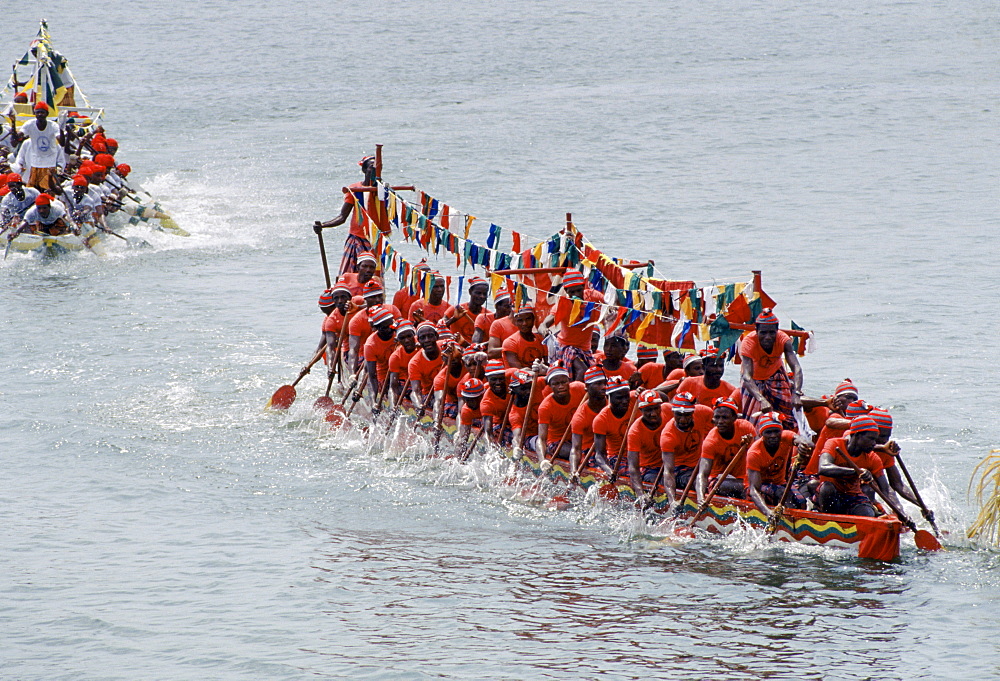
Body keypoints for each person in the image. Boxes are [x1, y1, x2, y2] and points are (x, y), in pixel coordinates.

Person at [816, 415, 902, 518]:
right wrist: (856, 471)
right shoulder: (834, 444)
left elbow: (884, 490)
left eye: (875, 440)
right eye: (871, 439)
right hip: (831, 496)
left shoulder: (872, 458)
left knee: (867, 513)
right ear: (857, 435)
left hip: (853, 497)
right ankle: (827, 519)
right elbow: (823, 468)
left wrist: (897, 513)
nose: (874, 443)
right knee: (827, 488)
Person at [316, 155, 379, 275]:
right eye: (372, 168)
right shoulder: (355, 189)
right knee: (351, 273)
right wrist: (323, 225)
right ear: (364, 170)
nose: (374, 171)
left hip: (376, 240)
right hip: (357, 238)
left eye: (377, 168)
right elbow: (342, 217)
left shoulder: (383, 191)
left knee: (373, 274)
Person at [739, 308, 803, 426]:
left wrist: (797, 393)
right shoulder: (748, 342)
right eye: (763, 333)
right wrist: (761, 399)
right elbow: (747, 376)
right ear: (756, 330)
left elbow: (797, 368)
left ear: (777, 331)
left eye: (771, 332)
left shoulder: (783, 340)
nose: (768, 337)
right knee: (753, 420)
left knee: (787, 417)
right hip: (753, 381)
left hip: (776, 375)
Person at [541, 269, 604, 381]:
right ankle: (574, 393)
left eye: (579, 291)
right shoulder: (563, 304)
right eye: (572, 292)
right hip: (566, 347)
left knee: (593, 376)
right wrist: (544, 330)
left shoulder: (593, 296)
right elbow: (545, 323)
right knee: (582, 371)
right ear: (566, 291)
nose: (576, 295)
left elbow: (614, 304)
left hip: (585, 348)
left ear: (584, 287)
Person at [746, 413, 806, 518]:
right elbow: (754, 491)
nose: (773, 435)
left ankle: (796, 520)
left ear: (781, 432)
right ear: (761, 435)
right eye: (768, 432)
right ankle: (788, 522)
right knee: (781, 492)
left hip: (779, 484)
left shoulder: (786, 437)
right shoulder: (754, 453)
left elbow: (805, 441)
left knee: (801, 501)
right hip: (758, 488)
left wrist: (802, 445)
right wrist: (768, 513)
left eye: (776, 431)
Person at [696, 397, 756, 501]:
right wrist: (701, 498)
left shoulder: (746, 428)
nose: (720, 422)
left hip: (742, 478)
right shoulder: (711, 441)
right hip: (717, 480)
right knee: (746, 489)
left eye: (724, 417)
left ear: (734, 418)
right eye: (717, 417)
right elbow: (702, 474)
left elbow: (757, 458)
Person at [659, 391, 714, 497]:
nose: (683, 420)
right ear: (673, 413)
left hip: (700, 465)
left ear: (693, 412)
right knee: (706, 484)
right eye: (678, 415)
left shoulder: (703, 412)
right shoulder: (668, 436)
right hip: (679, 470)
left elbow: (720, 422)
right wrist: (672, 501)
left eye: (687, 415)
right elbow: (668, 472)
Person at [868, 407, 923, 511]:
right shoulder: (854, 439)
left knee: (897, 507)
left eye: (887, 437)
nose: (885, 441)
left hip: (868, 490)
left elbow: (897, 484)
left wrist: (921, 505)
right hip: (844, 487)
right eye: (882, 436)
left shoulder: (886, 451)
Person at [536, 362, 587, 466]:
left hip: (578, 436)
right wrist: (542, 460)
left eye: (564, 382)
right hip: (557, 442)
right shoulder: (545, 407)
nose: (561, 387)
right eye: (556, 384)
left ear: (569, 381)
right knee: (581, 455)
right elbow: (541, 439)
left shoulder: (579, 388)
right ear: (550, 386)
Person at [626, 390, 670, 503]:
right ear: (640, 410)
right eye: (648, 410)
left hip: (672, 464)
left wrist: (650, 390)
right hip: (650, 470)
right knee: (664, 481)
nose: (654, 414)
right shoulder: (635, 432)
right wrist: (641, 495)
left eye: (656, 408)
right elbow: (633, 468)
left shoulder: (668, 410)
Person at [347, 280, 400, 372]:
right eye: (373, 297)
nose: (378, 300)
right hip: (366, 355)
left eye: (380, 296)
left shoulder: (392, 310)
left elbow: (401, 330)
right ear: (365, 300)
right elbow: (353, 350)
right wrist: (352, 374)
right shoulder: (356, 320)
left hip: (391, 351)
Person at [13, 102, 64, 192]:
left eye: (42, 112)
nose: (40, 114)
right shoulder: (29, 124)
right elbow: (17, 139)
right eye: (38, 112)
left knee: (49, 190)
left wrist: (62, 128)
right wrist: (13, 124)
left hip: (49, 164)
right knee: (33, 190)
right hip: (35, 163)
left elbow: (62, 142)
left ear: (47, 114)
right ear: (34, 113)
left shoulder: (53, 126)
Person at [568, 366, 608, 479]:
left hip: (609, 450)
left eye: (605, 383)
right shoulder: (580, 417)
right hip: (589, 453)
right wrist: (574, 471)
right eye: (598, 384)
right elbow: (575, 449)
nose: (604, 387)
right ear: (587, 387)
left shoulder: (612, 406)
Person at [591, 377, 635, 477]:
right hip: (617, 457)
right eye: (619, 398)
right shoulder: (601, 420)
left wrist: (647, 392)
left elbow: (662, 398)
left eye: (626, 397)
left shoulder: (635, 401)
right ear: (608, 397)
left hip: (638, 454)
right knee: (635, 473)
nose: (624, 401)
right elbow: (599, 455)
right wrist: (609, 471)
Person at [408, 322, 446, 414]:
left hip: (450, 392)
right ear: (418, 341)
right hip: (430, 395)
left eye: (430, 336)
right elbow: (415, 391)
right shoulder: (414, 363)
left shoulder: (446, 347)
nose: (427, 340)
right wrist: (418, 405)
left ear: (437, 336)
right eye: (423, 338)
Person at [362, 305, 398, 399]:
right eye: (385, 327)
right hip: (384, 378)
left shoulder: (400, 334)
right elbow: (372, 376)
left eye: (391, 325)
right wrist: (374, 401)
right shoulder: (370, 345)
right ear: (377, 328)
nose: (390, 329)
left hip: (401, 374)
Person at [479, 360, 515, 444]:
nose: (498, 383)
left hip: (516, 420)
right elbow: (488, 431)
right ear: (487, 379)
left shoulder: (512, 375)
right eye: (494, 380)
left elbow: (528, 372)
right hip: (500, 424)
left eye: (501, 378)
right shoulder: (486, 402)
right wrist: (491, 448)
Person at [445, 277, 489, 343]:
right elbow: (439, 328)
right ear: (470, 292)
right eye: (478, 293)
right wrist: (454, 318)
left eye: (484, 294)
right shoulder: (456, 309)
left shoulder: (488, 315)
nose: (482, 296)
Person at [386, 321, 419, 402]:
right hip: (406, 384)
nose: (407, 340)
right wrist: (393, 407)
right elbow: (393, 387)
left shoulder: (422, 346)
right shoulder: (395, 357)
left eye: (409, 336)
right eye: (402, 338)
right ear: (398, 340)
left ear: (414, 336)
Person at [455, 377, 487, 457]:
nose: (468, 403)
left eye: (472, 399)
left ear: (481, 396)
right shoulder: (466, 410)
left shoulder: (488, 400)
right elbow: (463, 439)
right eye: (466, 399)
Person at [487, 291, 518, 358]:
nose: (509, 310)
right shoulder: (497, 324)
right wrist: (515, 348)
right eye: (507, 307)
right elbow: (491, 352)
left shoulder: (529, 324)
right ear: (497, 306)